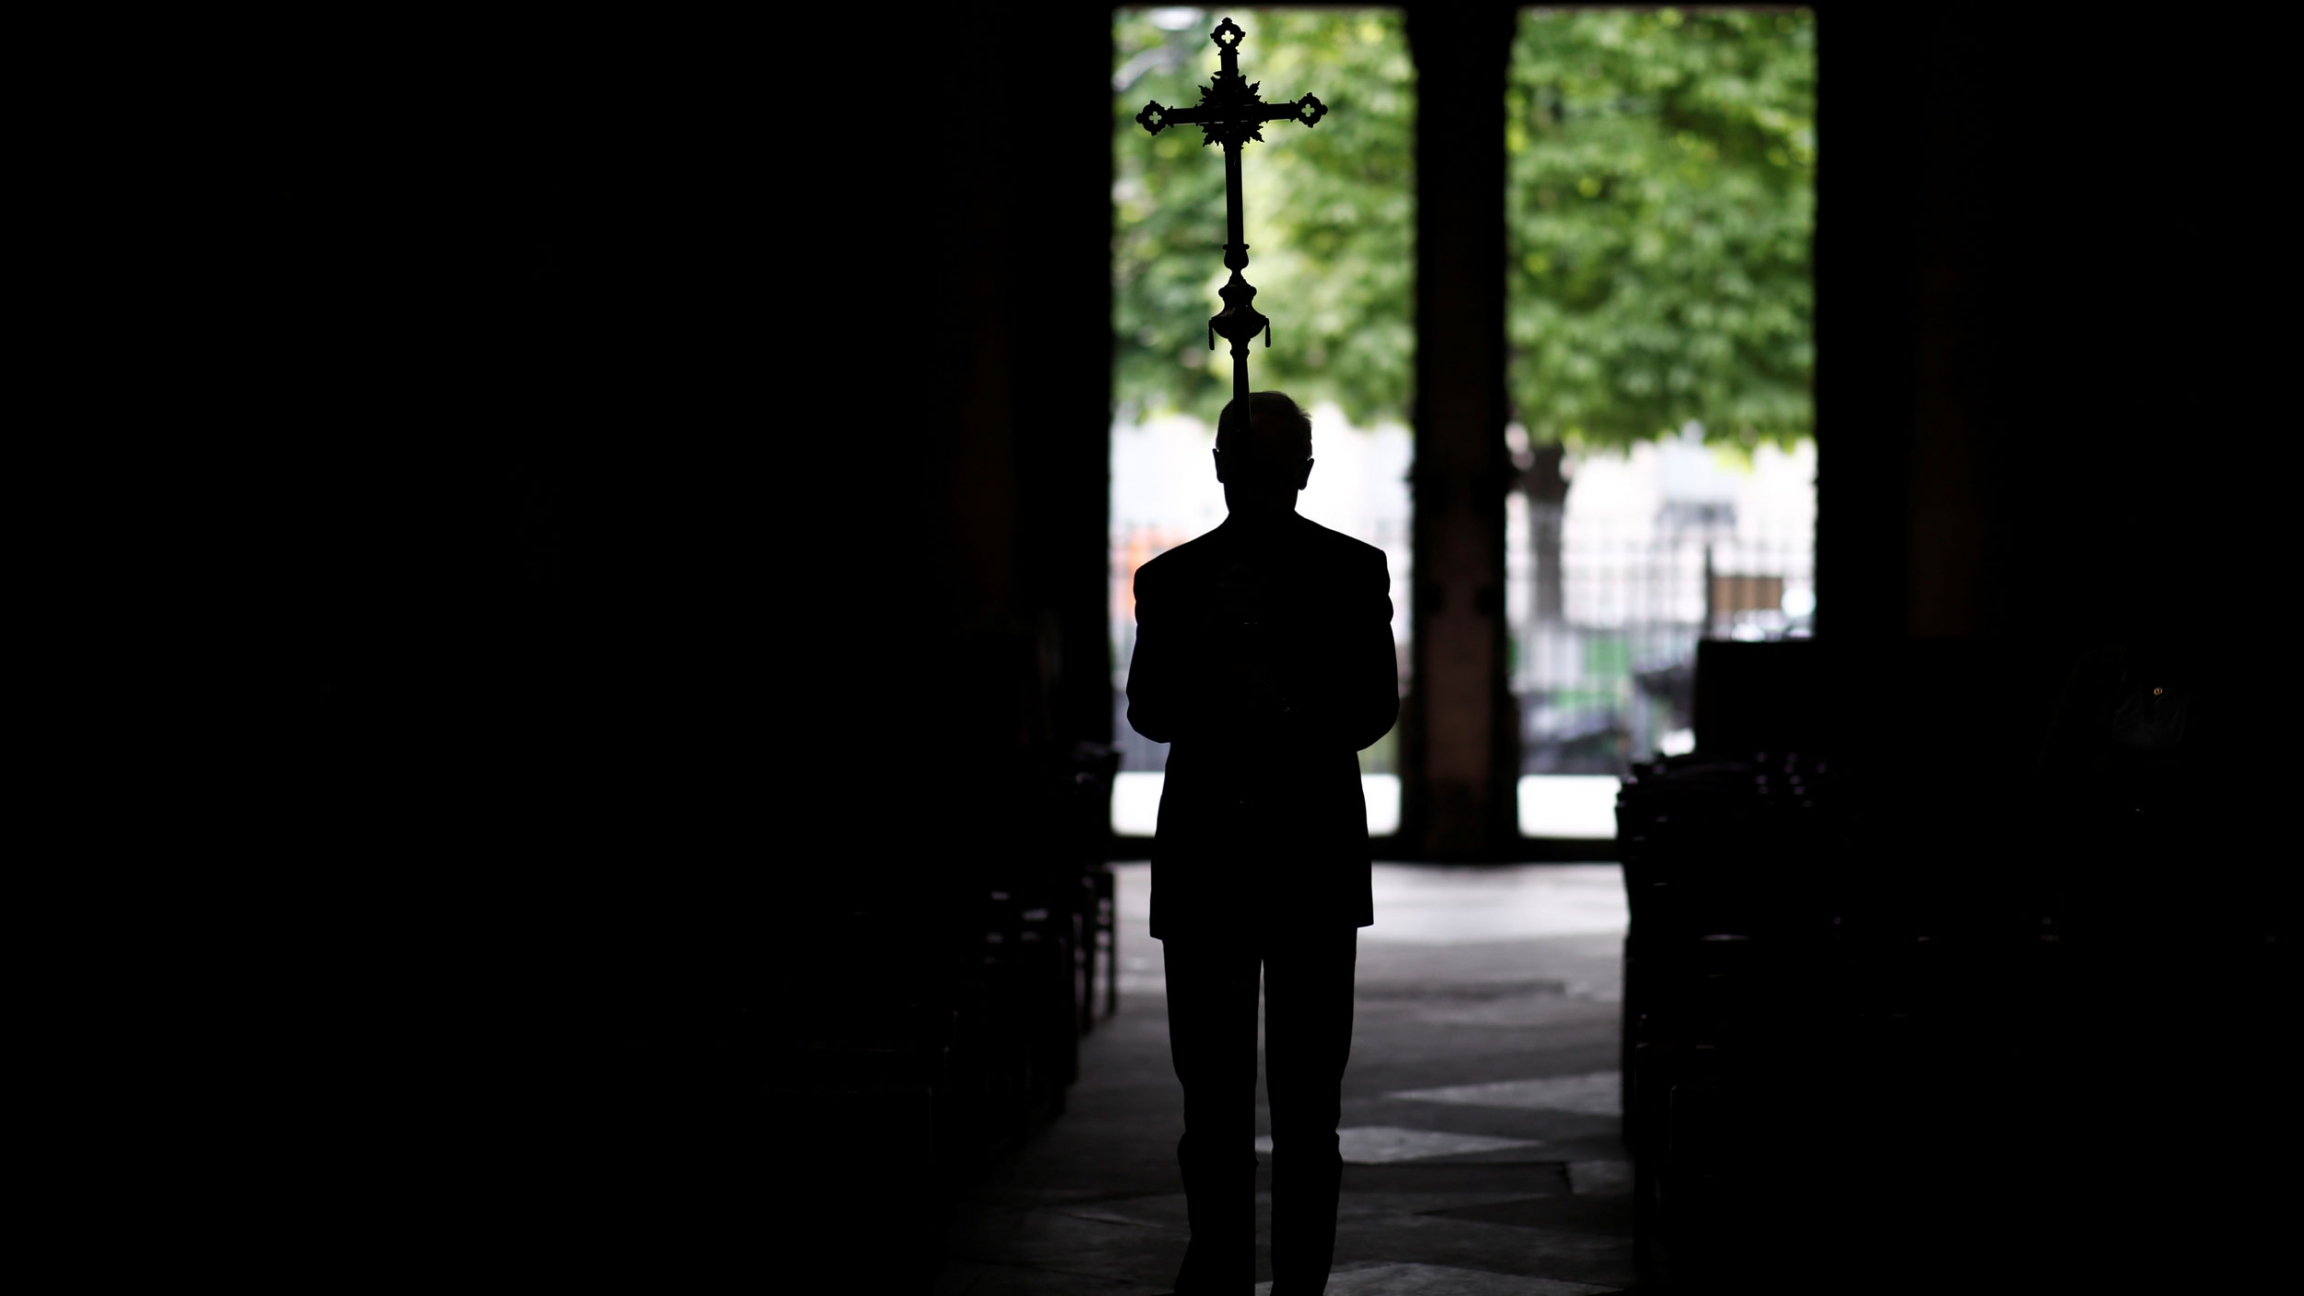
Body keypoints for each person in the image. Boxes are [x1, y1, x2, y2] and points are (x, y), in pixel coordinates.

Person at [1125, 391, 1399, 1294]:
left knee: (1308, 1105)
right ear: (1218, 470)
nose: (1260, 486)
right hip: (1207, 863)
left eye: (1275, 471)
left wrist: (1279, 670)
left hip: (1311, 861)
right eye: (1248, 469)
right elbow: (1154, 711)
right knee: (1211, 1104)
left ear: (1306, 474)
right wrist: (1210, 634)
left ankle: (1301, 1282)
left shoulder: (1352, 573)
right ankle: (1219, 1268)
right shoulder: (1171, 583)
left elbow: (1369, 712)